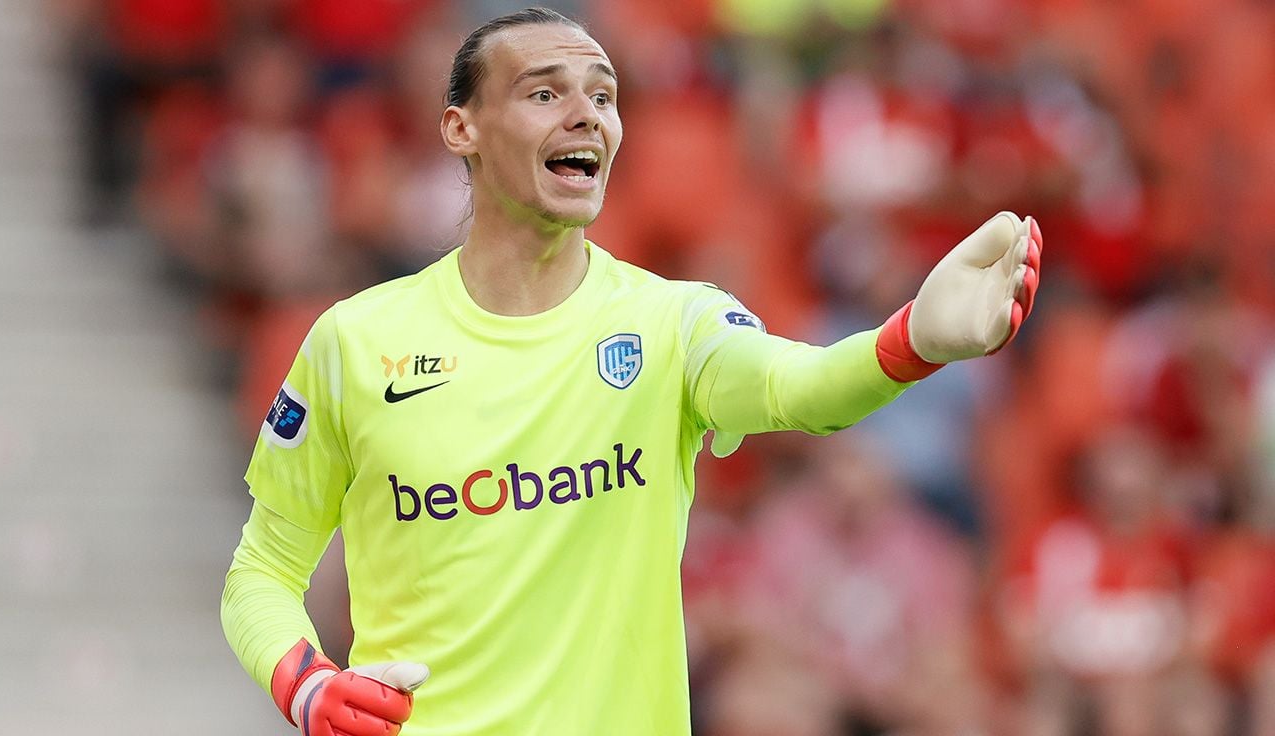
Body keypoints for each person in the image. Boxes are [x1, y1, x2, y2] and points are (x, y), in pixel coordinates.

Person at [219, 7, 1042, 735]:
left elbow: (804, 390)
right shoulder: (354, 343)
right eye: (545, 93)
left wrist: (912, 343)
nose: (587, 116)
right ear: (460, 128)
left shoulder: (671, 323)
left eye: (604, 96)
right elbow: (260, 574)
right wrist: (308, 686)